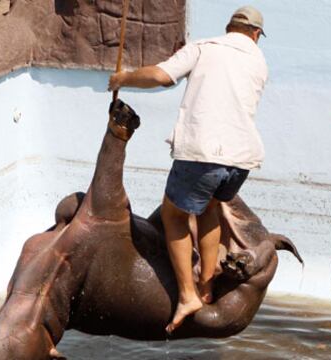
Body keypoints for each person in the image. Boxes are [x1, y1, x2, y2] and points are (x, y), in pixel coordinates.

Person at [107, 5, 267, 334]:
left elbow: (162, 76)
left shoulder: (205, 48)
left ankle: (187, 295)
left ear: (229, 28)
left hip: (204, 154)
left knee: (174, 215)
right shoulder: (259, 61)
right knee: (209, 208)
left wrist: (124, 78)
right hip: (241, 161)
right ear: (255, 35)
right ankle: (206, 284)